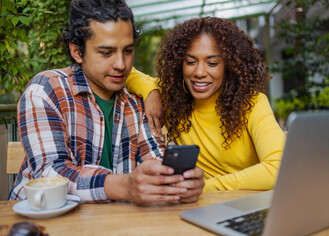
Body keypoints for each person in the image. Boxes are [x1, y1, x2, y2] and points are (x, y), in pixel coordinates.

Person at [8, 0, 204, 203]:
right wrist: (124, 186)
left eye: (128, 51)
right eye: (106, 53)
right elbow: (49, 174)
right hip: (40, 221)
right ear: (77, 51)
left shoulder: (136, 101)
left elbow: (154, 156)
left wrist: (177, 181)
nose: (121, 64)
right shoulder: (46, 90)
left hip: (114, 225)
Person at [129, 17, 286, 191]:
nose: (200, 72)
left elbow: (279, 169)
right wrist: (151, 91)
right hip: (203, 208)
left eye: (212, 63)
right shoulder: (174, 98)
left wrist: (205, 188)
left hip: (248, 204)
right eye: (191, 62)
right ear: (179, 64)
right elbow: (125, 71)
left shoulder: (253, 103)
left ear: (229, 66)